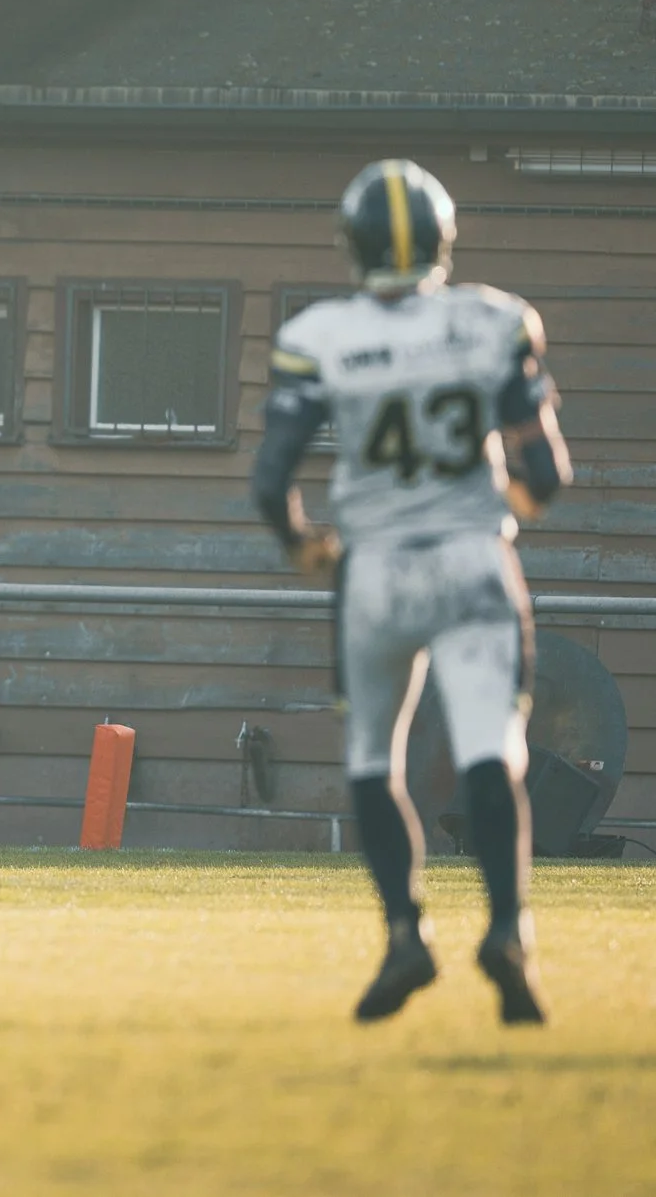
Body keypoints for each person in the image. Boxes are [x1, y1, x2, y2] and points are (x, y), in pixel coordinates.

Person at [252, 158, 572, 1026]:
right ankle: (506, 931)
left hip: (375, 569)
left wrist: (303, 543)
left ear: (352, 244)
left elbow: (270, 478)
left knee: (371, 755)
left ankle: (404, 932)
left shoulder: (321, 333)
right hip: (471, 560)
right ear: (442, 238)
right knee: (492, 749)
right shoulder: (492, 319)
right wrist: (498, 508)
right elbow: (546, 472)